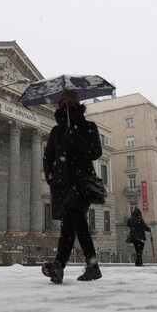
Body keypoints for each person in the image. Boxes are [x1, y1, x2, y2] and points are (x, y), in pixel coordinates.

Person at [41, 91, 103, 284]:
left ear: (77, 104)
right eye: (61, 103)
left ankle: (59, 265)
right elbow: (48, 157)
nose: (64, 106)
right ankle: (93, 267)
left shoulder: (88, 126)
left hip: (82, 183)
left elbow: (95, 152)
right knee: (79, 225)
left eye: (68, 102)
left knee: (69, 220)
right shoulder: (55, 131)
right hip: (62, 184)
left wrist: (75, 138)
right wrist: (51, 177)